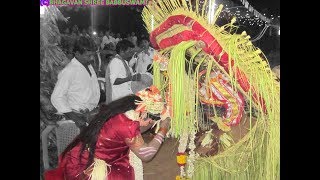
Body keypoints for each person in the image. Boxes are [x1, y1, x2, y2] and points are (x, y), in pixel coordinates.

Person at [44, 86, 171, 180]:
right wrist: (163, 128)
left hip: (87, 156)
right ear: (143, 110)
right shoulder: (126, 123)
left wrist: (147, 123)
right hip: (88, 166)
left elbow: (132, 131)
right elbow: (146, 154)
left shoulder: (123, 111)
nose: (148, 119)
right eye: (148, 115)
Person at [51, 36, 100, 130]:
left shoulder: (88, 66)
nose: (91, 58)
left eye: (92, 55)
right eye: (88, 55)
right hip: (76, 119)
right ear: (77, 53)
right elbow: (56, 97)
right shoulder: (70, 70)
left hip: (89, 115)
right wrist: (76, 119)